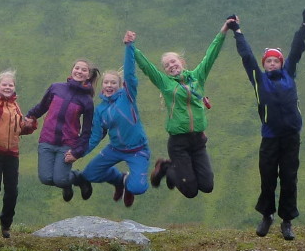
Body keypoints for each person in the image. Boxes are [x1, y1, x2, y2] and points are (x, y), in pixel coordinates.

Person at [133, 17, 237, 199]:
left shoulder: (198, 76)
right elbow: (147, 67)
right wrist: (131, 48)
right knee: (190, 191)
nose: (171, 66)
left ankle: (175, 170)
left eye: (174, 62)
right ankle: (166, 167)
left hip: (198, 141)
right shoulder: (165, 84)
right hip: (178, 144)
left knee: (207, 185)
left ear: (181, 62)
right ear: (165, 71)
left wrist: (224, 30)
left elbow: (211, 54)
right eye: (167, 65)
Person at [234, 9, 305, 240]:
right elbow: (247, 57)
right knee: (268, 176)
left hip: (291, 136)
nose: (271, 63)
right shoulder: (258, 80)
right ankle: (267, 216)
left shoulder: (289, 72)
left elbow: (296, 49)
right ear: (264, 64)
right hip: (270, 136)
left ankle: (287, 221)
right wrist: (237, 32)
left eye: (275, 60)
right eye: (268, 61)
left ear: (281, 62)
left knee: (289, 177)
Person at [81, 33, 167, 208]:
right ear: (102, 85)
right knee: (90, 174)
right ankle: (120, 179)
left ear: (120, 85)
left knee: (138, 188)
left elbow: (130, 74)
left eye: (113, 83)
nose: (109, 85)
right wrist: (76, 153)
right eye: (106, 83)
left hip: (138, 150)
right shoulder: (100, 110)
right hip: (115, 149)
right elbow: (95, 137)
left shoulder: (127, 97)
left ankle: (128, 184)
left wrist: (129, 47)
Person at [25, 59, 98, 202]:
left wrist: (77, 152)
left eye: (84, 70)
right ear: (72, 70)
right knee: (46, 179)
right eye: (77, 68)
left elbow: (87, 131)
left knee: (60, 180)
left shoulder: (87, 101)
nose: (79, 71)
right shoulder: (56, 88)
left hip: (67, 144)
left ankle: (77, 178)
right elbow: (42, 107)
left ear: (88, 75)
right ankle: (69, 180)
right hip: (47, 140)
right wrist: (30, 116)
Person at [0, 70, 33, 238]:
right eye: (4, 84)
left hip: (12, 155)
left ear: (14, 87)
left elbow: (18, 129)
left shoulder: (15, 106)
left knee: (12, 191)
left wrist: (30, 126)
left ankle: (6, 225)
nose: (8, 87)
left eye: (11, 85)